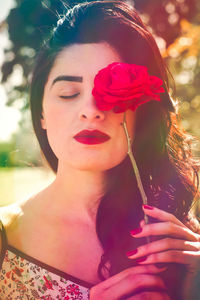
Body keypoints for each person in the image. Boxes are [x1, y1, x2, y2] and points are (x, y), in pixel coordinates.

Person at [0, 1, 200, 299]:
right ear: (40, 112)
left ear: (141, 111)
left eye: (111, 93)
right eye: (69, 93)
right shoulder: (6, 236)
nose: (91, 111)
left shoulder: (176, 229)